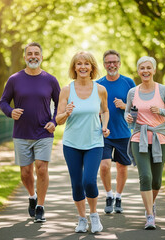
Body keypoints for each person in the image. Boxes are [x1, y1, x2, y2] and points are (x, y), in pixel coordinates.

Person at [0, 42, 60, 223]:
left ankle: (40, 206)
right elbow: (3, 102)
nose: (33, 56)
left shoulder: (50, 80)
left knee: (41, 169)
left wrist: (54, 121)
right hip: (21, 133)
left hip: (44, 132)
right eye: (30, 53)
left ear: (41, 56)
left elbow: (60, 104)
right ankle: (32, 196)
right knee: (26, 173)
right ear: (25, 57)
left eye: (36, 53)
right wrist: (10, 112)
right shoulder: (14, 79)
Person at [56, 51, 110, 233]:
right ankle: (81, 218)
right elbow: (58, 120)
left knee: (89, 181)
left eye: (87, 64)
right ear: (74, 67)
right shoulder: (67, 90)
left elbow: (105, 111)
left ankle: (94, 215)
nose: (83, 67)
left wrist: (105, 126)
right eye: (79, 64)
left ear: (92, 67)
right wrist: (67, 112)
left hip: (94, 142)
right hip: (72, 143)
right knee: (77, 183)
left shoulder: (100, 90)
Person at [125, 56, 165, 230]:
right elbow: (129, 117)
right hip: (138, 138)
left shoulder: (162, 90)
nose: (145, 71)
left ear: (154, 70)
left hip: (159, 139)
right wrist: (127, 119)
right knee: (145, 177)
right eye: (142, 68)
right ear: (138, 71)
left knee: (156, 181)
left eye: (149, 68)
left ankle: (151, 204)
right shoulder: (132, 92)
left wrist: (161, 111)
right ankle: (150, 215)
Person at [96, 50, 136, 214]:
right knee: (104, 166)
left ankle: (119, 196)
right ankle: (109, 195)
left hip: (124, 134)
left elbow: (137, 109)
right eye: (108, 62)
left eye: (114, 62)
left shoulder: (128, 82)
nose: (111, 65)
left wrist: (124, 105)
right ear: (104, 64)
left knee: (122, 167)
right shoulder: (97, 84)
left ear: (119, 63)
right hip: (104, 132)